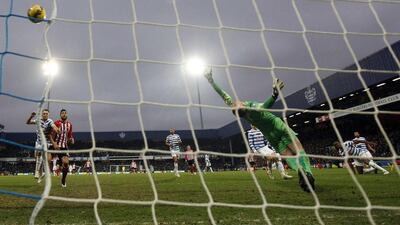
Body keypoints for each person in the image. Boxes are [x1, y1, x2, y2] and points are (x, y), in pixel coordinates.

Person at [203, 68, 314, 192]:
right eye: (237, 103)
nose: (235, 102)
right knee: (299, 151)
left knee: (288, 156)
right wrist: (274, 95)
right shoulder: (251, 108)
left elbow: (224, 96)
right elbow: (264, 107)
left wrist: (211, 81)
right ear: (243, 106)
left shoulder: (242, 112)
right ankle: (308, 174)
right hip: (279, 127)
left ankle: (301, 172)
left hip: (270, 136)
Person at [26, 109, 59, 182]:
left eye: (46, 113)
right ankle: (40, 174)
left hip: (46, 142)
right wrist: (31, 116)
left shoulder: (50, 121)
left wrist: (57, 130)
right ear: (42, 114)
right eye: (44, 113)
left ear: (48, 114)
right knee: (38, 157)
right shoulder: (38, 120)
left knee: (41, 156)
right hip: (38, 142)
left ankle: (37, 172)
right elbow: (28, 122)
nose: (45, 115)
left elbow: (54, 127)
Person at [53, 109, 74, 187]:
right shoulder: (56, 123)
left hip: (64, 147)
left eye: (65, 113)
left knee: (66, 163)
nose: (64, 114)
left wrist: (71, 139)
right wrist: (54, 143)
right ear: (60, 115)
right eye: (62, 113)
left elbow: (70, 136)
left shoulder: (69, 125)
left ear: (67, 114)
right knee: (47, 160)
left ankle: (63, 179)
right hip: (54, 146)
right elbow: (52, 134)